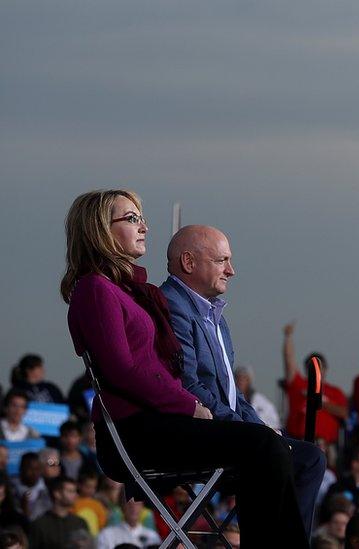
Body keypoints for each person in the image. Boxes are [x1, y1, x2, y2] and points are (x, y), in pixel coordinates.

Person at [62, 189, 309, 547]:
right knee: (262, 446)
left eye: (141, 217)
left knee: (274, 449)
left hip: (159, 424)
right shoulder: (96, 290)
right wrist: (188, 405)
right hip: (137, 433)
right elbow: (122, 370)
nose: (144, 226)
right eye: (131, 219)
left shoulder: (126, 290)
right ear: (99, 229)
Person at [160, 224, 326, 538]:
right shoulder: (171, 307)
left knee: (307, 458)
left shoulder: (216, 318)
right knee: (272, 452)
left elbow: (233, 393)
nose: (231, 270)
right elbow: (188, 387)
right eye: (222, 261)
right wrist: (247, 429)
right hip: (192, 433)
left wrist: (257, 425)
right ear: (188, 262)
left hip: (228, 431)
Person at [282, 323, 349, 444]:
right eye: (312, 367)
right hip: (298, 440)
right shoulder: (298, 384)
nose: (317, 370)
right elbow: (289, 360)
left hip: (326, 444)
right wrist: (288, 337)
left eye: (320, 366)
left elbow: (344, 413)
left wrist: (318, 401)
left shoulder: (335, 392)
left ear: (326, 369)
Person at [27, 477, 89, 549]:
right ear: (57, 494)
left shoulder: (80, 522)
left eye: (75, 491)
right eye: (70, 491)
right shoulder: (39, 525)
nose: (75, 495)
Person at [94, 499, 160, 549]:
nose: (133, 508)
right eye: (129, 504)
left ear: (142, 506)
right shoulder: (106, 534)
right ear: (122, 507)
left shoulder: (153, 536)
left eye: (137, 504)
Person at [234, 365, 281, 430]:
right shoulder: (230, 402)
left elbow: (275, 425)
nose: (241, 381)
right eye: (238, 378)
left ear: (249, 380)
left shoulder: (263, 403)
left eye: (244, 378)